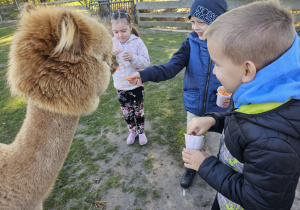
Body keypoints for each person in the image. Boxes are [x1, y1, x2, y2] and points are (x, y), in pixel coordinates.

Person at [182, 0, 300, 209]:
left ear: (247, 70)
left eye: (217, 64)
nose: (215, 71)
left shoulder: (276, 142)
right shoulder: (257, 90)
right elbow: (243, 120)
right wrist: (214, 119)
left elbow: (258, 200)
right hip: (227, 200)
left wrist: (205, 164)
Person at [127, 0, 229, 188]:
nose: (196, 27)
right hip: (195, 106)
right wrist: (145, 74)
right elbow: (171, 67)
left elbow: (239, 75)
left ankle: (212, 171)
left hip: (219, 109)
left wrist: (232, 93)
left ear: (217, 21)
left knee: (215, 145)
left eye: (201, 22)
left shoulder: (229, 46)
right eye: (192, 22)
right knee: (193, 141)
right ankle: (191, 167)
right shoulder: (190, 44)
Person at [110, 9, 150, 145]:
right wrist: (111, 57)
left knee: (138, 111)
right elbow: (110, 68)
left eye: (123, 30)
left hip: (136, 85)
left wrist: (133, 58)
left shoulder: (137, 42)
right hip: (120, 87)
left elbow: (146, 62)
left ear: (130, 27)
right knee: (127, 113)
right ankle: (132, 132)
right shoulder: (111, 44)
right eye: (116, 32)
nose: (120, 35)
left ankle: (141, 132)